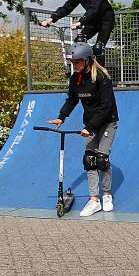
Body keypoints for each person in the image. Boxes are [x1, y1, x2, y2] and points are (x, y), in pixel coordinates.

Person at [45, 41, 118, 217]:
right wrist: (61, 117)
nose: (74, 65)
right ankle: (94, 200)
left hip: (107, 121)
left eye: (77, 62)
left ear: (87, 60)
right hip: (90, 123)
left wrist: (90, 127)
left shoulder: (101, 77)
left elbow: (106, 106)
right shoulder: (75, 79)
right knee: (89, 159)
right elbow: (72, 100)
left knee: (101, 159)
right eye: (72, 62)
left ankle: (107, 195)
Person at [40, 0, 115, 62]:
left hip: (106, 21)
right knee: (79, 42)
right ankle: (86, 67)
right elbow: (67, 8)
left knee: (98, 48)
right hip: (93, 21)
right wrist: (51, 19)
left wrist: (80, 22)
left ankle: (100, 70)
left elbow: (94, 9)